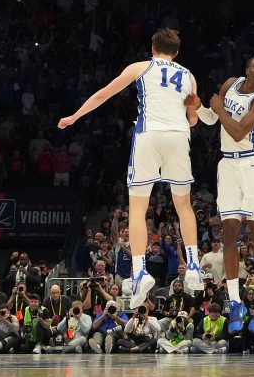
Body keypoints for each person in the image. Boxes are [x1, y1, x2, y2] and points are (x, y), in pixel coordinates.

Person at [57, 28, 204, 308]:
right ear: (176, 52)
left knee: (137, 209)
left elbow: (103, 94)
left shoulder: (141, 66)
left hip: (149, 134)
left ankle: (139, 272)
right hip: (178, 134)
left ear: (153, 48)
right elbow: (193, 119)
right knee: (184, 206)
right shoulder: (188, 75)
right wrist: (195, 108)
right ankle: (194, 266)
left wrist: (75, 116)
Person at [189, 55, 254, 334]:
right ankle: (235, 300)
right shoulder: (230, 84)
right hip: (227, 164)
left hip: (252, 163)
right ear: (246, 69)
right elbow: (212, 118)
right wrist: (199, 106)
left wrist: (218, 107)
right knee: (228, 234)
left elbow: (237, 132)